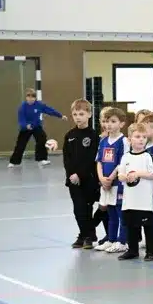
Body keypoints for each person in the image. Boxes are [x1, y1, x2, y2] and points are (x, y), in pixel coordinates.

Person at [116, 124, 153, 261]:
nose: (141, 140)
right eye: (137, 137)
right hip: (130, 199)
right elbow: (120, 175)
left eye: (144, 137)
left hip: (144, 200)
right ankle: (132, 250)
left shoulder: (148, 156)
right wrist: (124, 177)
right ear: (130, 139)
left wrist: (138, 173)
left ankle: (151, 252)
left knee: (147, 226)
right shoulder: (126, 157)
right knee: (131, 225)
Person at [63, 100, 99, 248]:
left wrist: (80, 174)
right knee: (78, 209)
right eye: (75, 114)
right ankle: (85, 234)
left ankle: (88, 236)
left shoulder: (93, 135)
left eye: (82, 114)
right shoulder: (70, 135)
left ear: (89, 115)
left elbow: (92, 158)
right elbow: (67, 158)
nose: (78, 117)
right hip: (73, 181)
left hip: (88, 179)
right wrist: (71, 174)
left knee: (87, 208)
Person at [94, 108, 128, 253]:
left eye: (113, 122)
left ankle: (122, 241)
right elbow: (99, 161)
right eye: (107, 121)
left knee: (120, 212)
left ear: (122, 124)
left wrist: (111, 177)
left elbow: (123, 162)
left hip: (118, 184)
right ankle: (111, 239)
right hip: (105, 184)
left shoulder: (124, 141)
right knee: (110, 212)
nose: (109, 125)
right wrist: (102, 178)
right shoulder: (103, 141)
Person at [9, 89, 65, 167]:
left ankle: (41, 159)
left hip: (36, 126)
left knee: (42, 138)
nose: (31, 99)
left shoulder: (39, 105)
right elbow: (21, 119)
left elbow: (49, 110)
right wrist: (26, 125)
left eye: (33, 97)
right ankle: (13, 162)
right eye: (29, 97)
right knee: (20, 145)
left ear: (35, 98)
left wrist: (60, 116)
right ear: (26, 97)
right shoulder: (22, 107)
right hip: (26, 128)